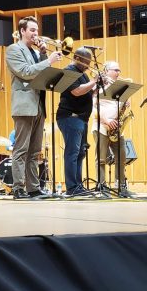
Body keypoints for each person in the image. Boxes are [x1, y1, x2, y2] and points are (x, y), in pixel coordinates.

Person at [5, 16, 61, 199]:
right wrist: (49, 61)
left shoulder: (35, 53)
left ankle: (33, 188)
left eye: (37, 30)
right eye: (32, 30)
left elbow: (43, 75)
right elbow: (26, 72)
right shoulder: (13, 49)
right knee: (21, 149)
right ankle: (18, 188)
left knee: (35, 151)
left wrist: (44, 54)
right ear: (22, 31)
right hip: (24, 106)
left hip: (38, 105)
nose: (36, 34)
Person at [56, 47, 97, 196]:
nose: (88, 65)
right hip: (70, 117)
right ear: (77, 59)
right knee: (72, 153)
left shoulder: (82, 74)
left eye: (89, 62)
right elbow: (76, 91)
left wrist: (97, 86)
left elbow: (87, 93)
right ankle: (72, 188)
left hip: (80, 118)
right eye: (86, 62)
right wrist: (94, 81)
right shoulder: (70, 71)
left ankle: (78, 186)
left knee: (80, 153)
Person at [92, 61, 132, 196]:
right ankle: (102, 186)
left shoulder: (121, 88)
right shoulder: (100, 85)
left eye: (119, 70)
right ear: (107, 71)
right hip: (101, 126)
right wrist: (106, 120)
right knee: (101, 159)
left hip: (116, 128)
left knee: (122, 157)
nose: (118, 73)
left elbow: (120, 108)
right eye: (115, 70)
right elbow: (93, 106)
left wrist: (126, 104)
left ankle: (121, 186)